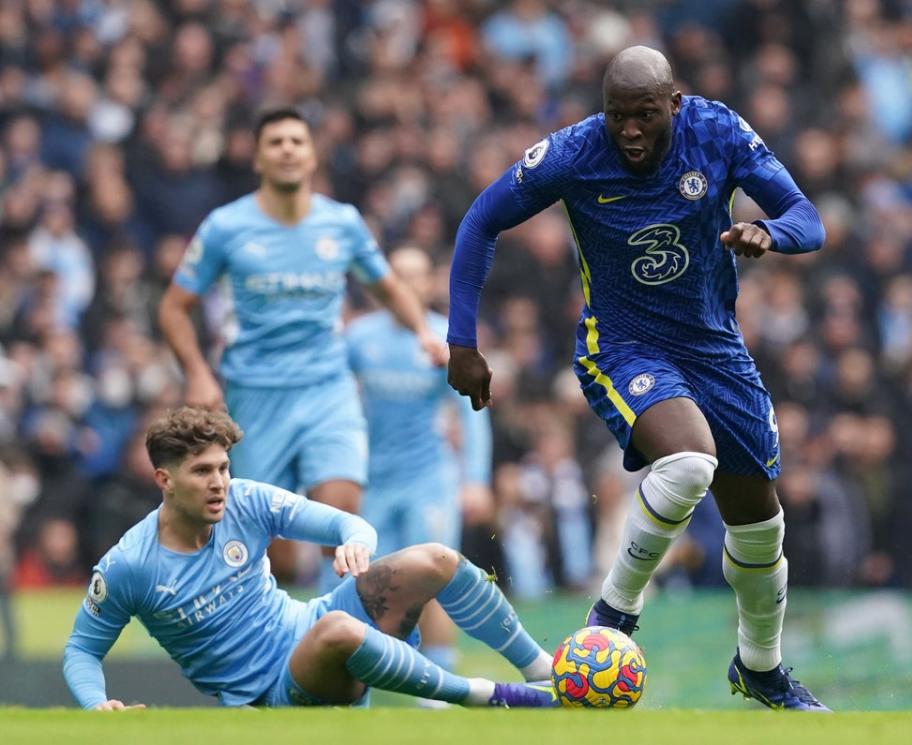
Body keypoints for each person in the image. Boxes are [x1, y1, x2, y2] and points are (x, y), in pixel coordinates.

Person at [445, 46, 828, 711]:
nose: (629, 130)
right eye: (617, 115)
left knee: (761, 525)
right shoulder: (572, 153)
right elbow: (482, 218)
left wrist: (770, 232)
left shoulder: (718, 131)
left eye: (644, 115)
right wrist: (462, 341)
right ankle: (611, 616)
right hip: (621, 346)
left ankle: (760, 667)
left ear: (673, 104)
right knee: (687, 462)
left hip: (714, 347)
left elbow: (809, 219)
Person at [62, 406, 557, 710]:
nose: (218, 482)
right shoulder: (130, 564)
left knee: (435, 558)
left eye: (223, 467)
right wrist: (96, 703)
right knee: (337, 629)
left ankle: (543, 672)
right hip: (275, 692)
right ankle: (491, 698)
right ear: (164, 481)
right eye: (201, 471)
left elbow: (347, 522)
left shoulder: (245, 499)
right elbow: (82, 650)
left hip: (314, 624)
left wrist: (355, 542)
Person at [157, 107, 445, 588]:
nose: (288, 149)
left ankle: (345, 641)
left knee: (341, 507)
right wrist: (198, 373)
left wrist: (422, 332)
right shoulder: (226, 228)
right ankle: (290, 640)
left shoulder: (342, 223)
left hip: (326, 387)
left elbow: (389, 286)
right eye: (275, 142)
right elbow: (172, 307)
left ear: (312, 156)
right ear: (258, 159)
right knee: (281, 552)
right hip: (256, 393)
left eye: (297, 141)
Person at [345, 246, 494, 687]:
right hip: (373, 481)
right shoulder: (358, 338)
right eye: (399, 276)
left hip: (430, 479)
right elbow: (331, 401)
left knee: (432, 578)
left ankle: (441, 681)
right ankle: (362, 676)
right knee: (367, 581)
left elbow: (472, 413)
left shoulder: (446, 339)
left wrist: (477, 480)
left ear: (430, 283)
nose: (408, 285)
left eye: (417, 276)